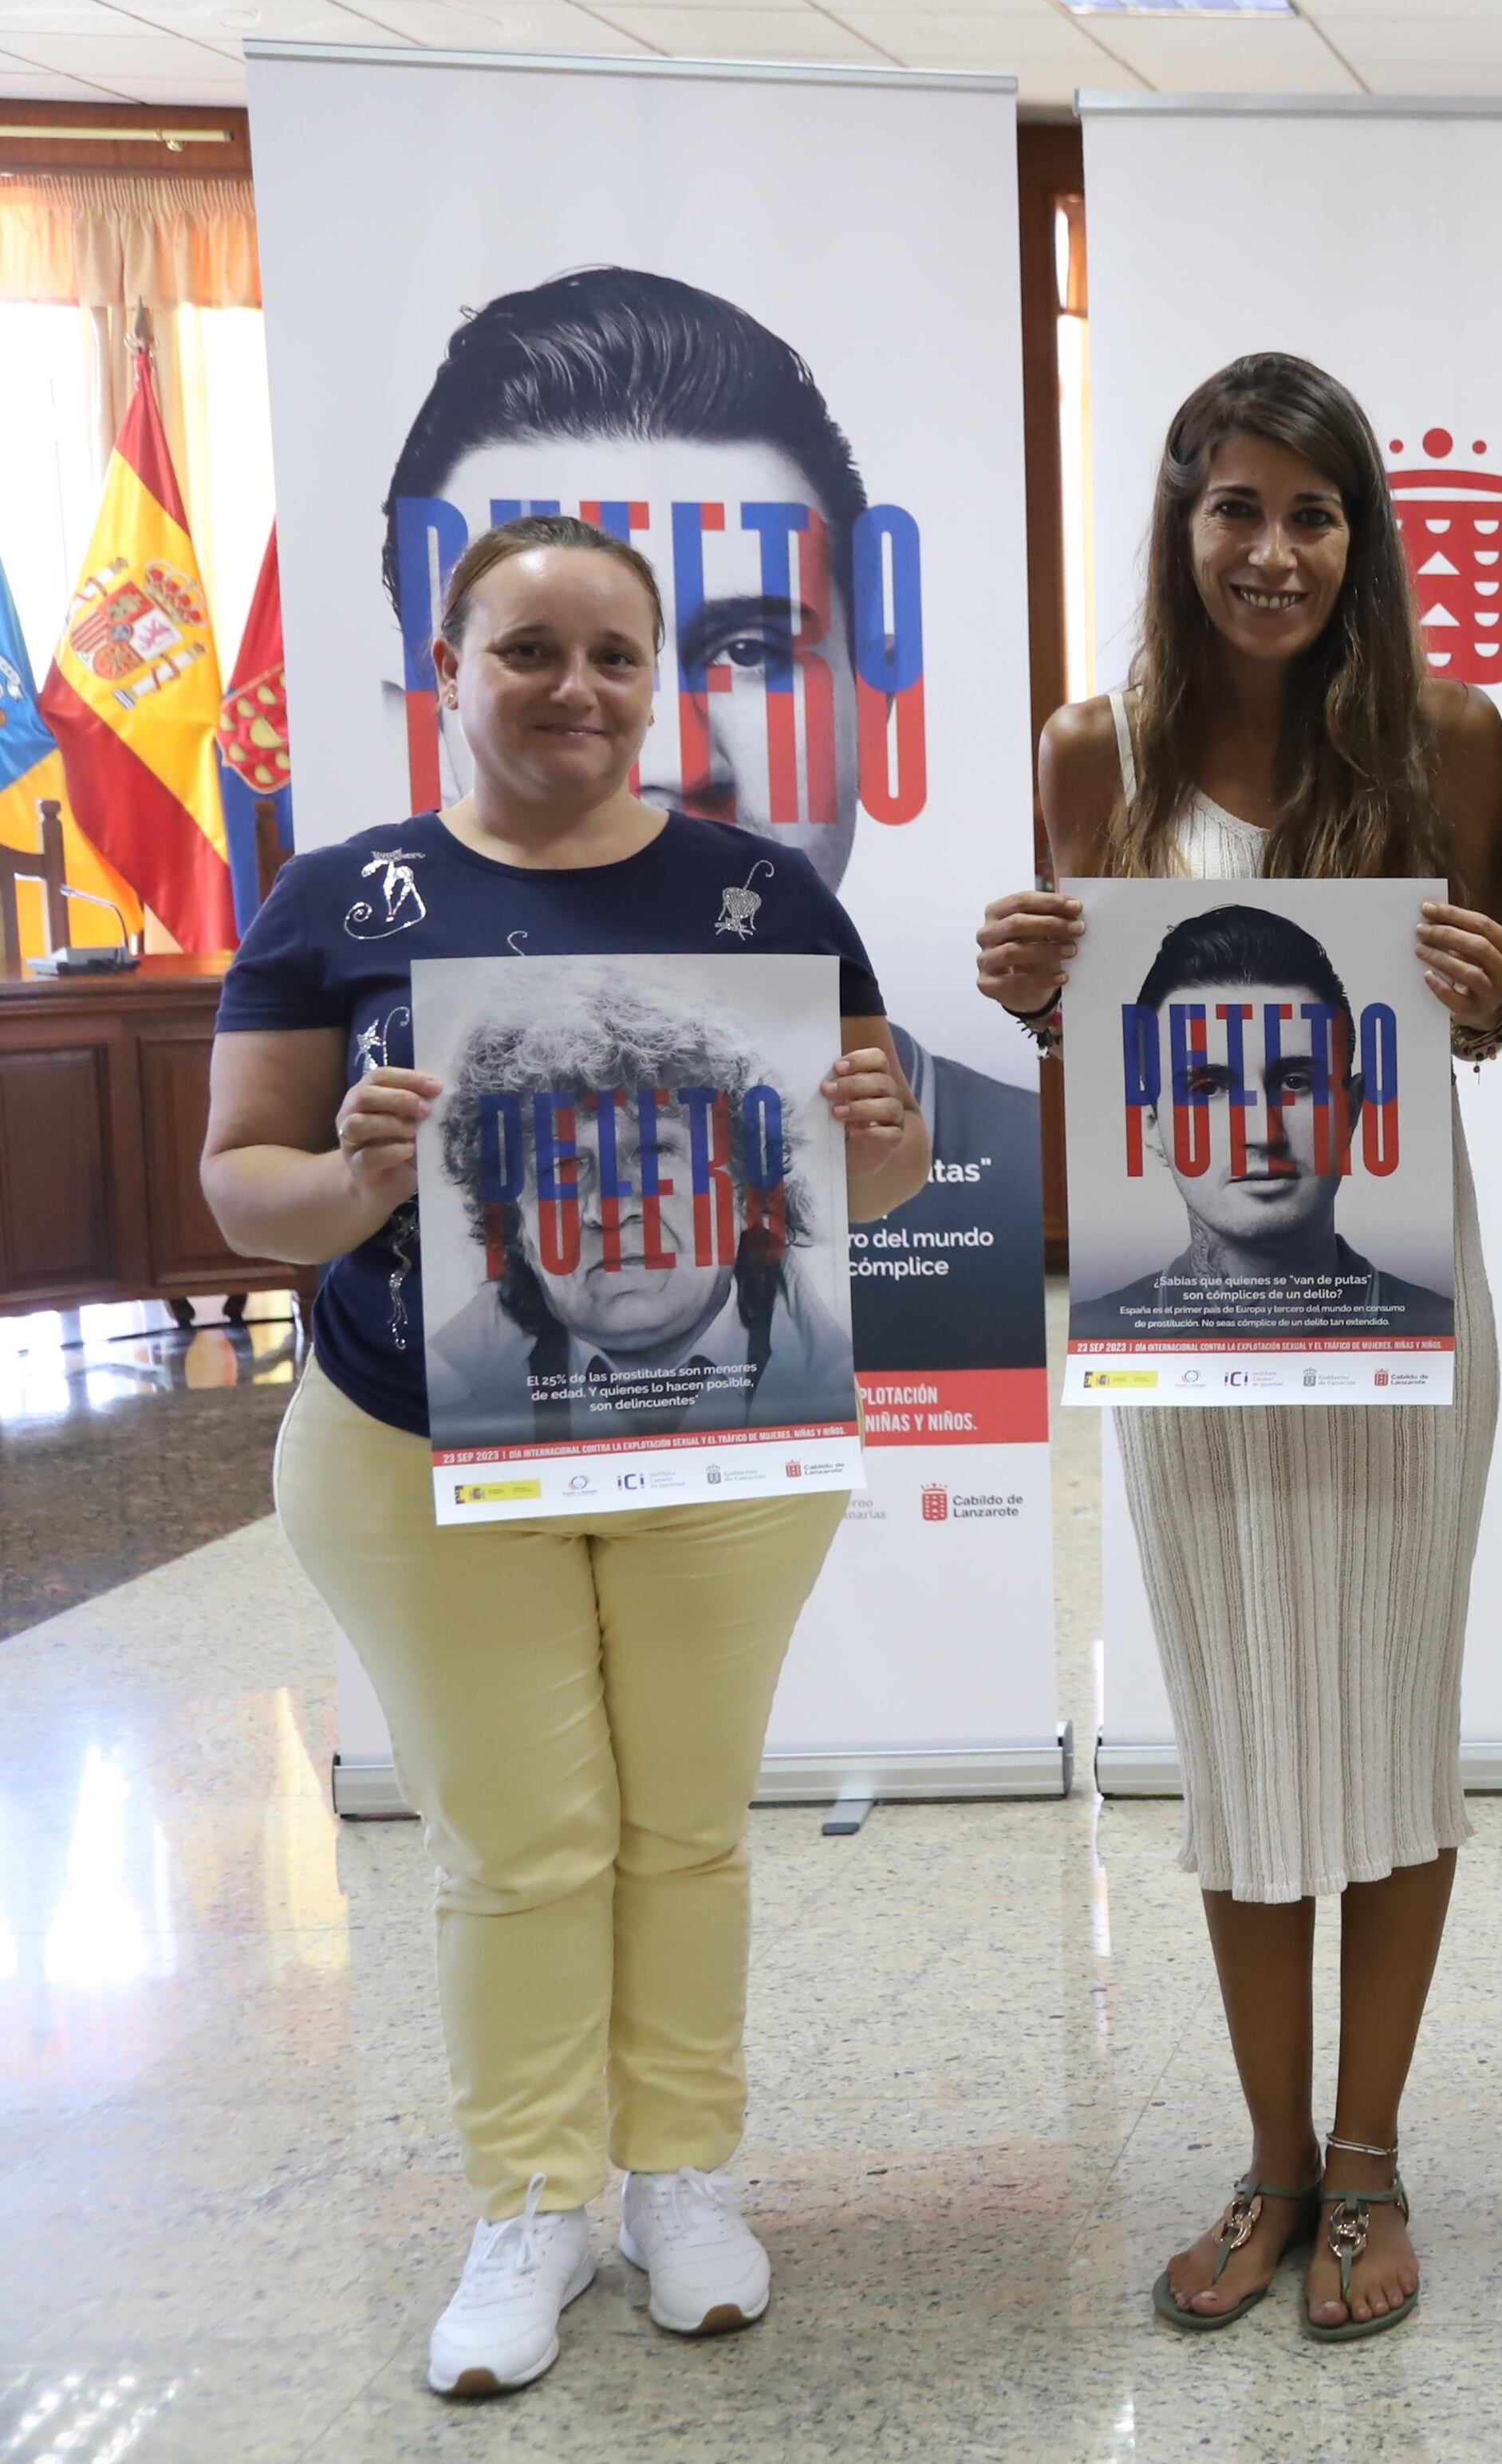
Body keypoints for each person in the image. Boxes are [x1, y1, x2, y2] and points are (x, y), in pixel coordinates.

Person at [201, 514, 932, 2398]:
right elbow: (240, 1187)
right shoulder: (337, 903)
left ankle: (683, 2176)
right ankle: (529, 2199)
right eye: (529, 650)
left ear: (657, 682)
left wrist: (878, 1121)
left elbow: (873, 1170)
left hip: (717, 1443)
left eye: (616, 654)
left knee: (685, 1825)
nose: (577, 690)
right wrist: (355, 1175)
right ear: (444, 676)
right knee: (520, 1846)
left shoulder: (760, 895)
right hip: (412, 1451)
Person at [974, 353, 1502, 2342]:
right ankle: (1270, 2157)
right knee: (1233, 1740)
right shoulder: (1087, 757)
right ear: (1178, 523)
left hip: (1396, 1313)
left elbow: (1483, 1017)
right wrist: (1033, 990)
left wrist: (1486, 982)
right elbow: (1099, 1042)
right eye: (1237, 509)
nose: (1274, 551)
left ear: (1363, 540)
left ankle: (1368, 2158)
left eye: (1314, 513)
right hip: (1191, 1324)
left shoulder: (1451, 742)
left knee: (1384, 1728)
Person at [384, 264, 1039, 1369]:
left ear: (869, 695)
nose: (671, 755)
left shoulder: (1004, 1150)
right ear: (439, 681)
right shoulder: (366, 1000)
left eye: (750, 650)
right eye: (538, 651)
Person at [419, 966, 860, 1447]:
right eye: (564, 1165)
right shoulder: (444, 1406)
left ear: (745, 1186)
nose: (608, 1209)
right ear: (514, 1226)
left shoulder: (832, 1378)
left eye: (652, 1153)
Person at [1062, 903, 1455, 1350]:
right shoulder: (1102, 1332)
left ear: (1352, 1110)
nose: (1262, 1133)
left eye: (1294, 1083)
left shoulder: (1437, 1329)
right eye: (1208, 1087)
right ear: (1151, 1124)